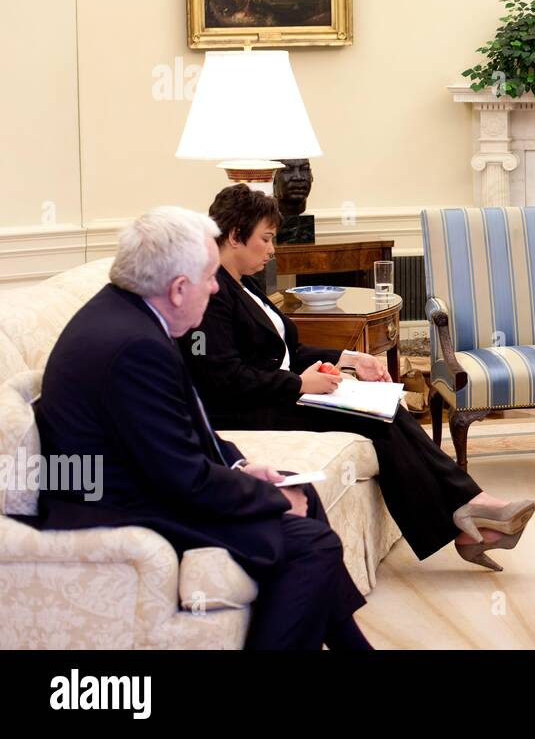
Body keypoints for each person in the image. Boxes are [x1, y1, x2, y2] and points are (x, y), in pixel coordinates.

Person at [26, 207, 370, 649]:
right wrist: (264, 496)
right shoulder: (133, 346)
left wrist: (243, 466)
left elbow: (187, 428)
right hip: (118, 508)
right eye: (210, 276)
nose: (216, 286)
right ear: (178, 288)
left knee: (302, 493)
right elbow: (182, 478)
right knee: (311, 544)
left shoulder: (131, 315)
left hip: (139, 481)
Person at [183, 184, 535, 572]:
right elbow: (221, 379)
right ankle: (471, 514)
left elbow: (285, 351)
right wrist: (300, 385)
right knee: (375, 418)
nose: (271, 250)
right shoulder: (211, 293)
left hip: (276, 395)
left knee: (384, 407)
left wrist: (349, 358)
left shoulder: (243, 284)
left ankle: (470, 515)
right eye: (265, 239)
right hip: (248, 412)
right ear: (235, 235)